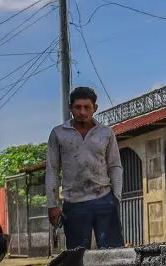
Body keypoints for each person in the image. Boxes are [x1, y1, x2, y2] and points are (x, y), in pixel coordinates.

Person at [46, 86, 126, 250]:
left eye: (87, 107)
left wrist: (116, 197)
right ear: (70, 108)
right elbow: (52, 170)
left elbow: (115, 166)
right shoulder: (58, 133)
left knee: (112, 253)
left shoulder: (106, 133)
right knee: (77, 255)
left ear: (95, 108)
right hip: (74, 203)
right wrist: (52, 205)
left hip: (104, 199)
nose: (82, 112)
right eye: (78, 107)